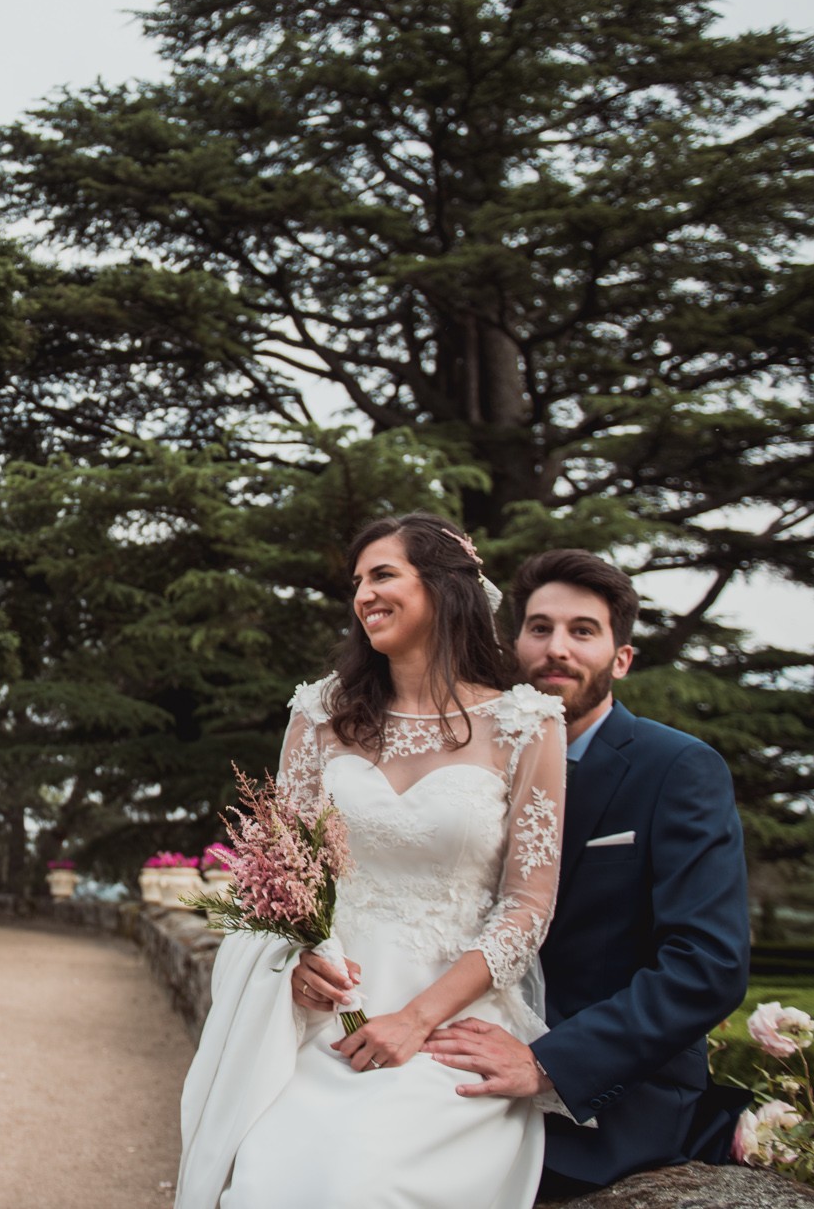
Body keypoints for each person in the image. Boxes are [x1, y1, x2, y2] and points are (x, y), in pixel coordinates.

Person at [177, 513, 566, 1209]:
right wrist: (293, 967)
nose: (363, 595)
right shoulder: (319, 713)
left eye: (383, 574)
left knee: (363, 1180)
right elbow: (283, 875)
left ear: (444, 587)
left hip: (449, 1024)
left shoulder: (526, 723)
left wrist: (417, 1019)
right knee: (266, 1177)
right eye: (357, 581)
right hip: (323, 1015)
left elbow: (528, 906)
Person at [411, 548, 751, 1197]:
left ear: (621, 658)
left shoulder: (678, 769)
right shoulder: (466, 769)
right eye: (539, 628)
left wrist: (546, 1063)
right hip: (457, 1049)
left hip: (607, 1097)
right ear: (514, 646)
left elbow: (708, 965)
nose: (557, 648)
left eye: (583, 631)